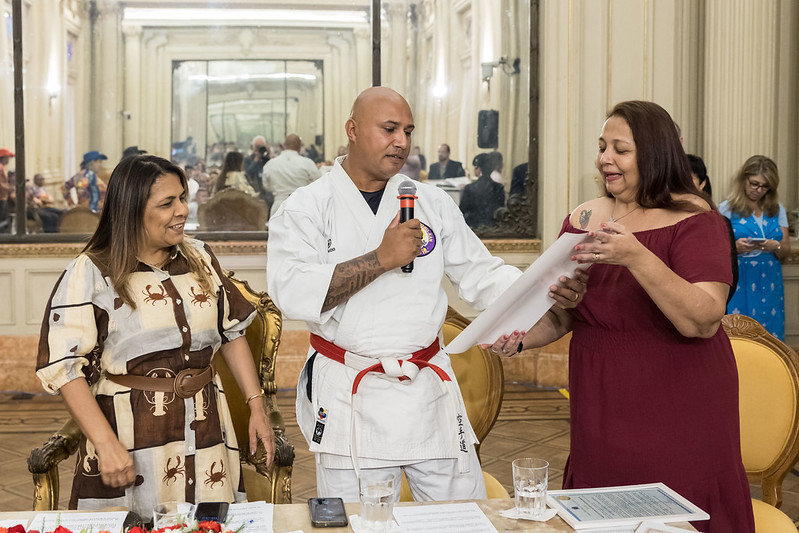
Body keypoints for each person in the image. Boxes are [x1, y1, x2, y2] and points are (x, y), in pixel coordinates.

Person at [266, 86, 585, 503]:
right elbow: (293, 292)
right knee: (361, 527)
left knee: (461, 518)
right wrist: (380, 258)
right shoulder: (306, 207)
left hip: (427, 387)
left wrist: (549, 290)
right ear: (353, 129)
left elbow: (483, 275)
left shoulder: (430, 202)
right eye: (389, 128)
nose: (401, 141)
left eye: (408, 130)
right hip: (351, 391)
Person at [490, 101, 754, 532]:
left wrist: (637, 256)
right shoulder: (584, 218)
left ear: (654, 153)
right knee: (602, 505)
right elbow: (565, 316)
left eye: (620, 149)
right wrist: (518, 335)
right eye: (601, 147)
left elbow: (702, 319)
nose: (604, 159)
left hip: (679, 400)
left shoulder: (696, 218)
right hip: (602, 398)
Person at [35, 155, 275, 516]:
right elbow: (65, 367)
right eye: (167, 203)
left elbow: (232, 331)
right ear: (131, 210)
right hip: (129, 436)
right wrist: (104, 442)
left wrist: (257, 406)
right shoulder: (91, 272)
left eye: (182, 198)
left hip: (207, 426)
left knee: (207, 523)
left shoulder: (199, 256)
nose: (182, 210)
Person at [719, 155, 790, 340]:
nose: (759, 190)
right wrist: (735, 248)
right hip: (740, 277)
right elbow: (714, 252)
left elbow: (786, 250)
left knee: (770, 334)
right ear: (744, 179)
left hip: (770, 280)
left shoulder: (777, 209)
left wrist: (777, 246)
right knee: (740, 332)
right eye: (754, 184)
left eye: (765, 186)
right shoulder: (726, 209)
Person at [687, 154, 738, 304]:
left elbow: (731, 276)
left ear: (702, 183)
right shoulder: (662, 221)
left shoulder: (719, 222)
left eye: (688, 178)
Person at [262, 133, 321, 216]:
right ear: (300, 146)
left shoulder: (271, 164)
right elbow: (318, 183)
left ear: (284, 145)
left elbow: (267, 185)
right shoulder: (307, 163)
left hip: (279, 206)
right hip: (302, 207)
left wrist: (279, 191)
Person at [459, 152, 505, 228]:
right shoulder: (499, 187)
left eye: (475, 167)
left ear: (479, 169)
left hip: (473, 229)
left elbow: (462, 212)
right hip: (493, 229)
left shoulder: (469, 188)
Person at [0, 148, 14, 232]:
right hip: (1, 196)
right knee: (2, 219)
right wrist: (9, 188)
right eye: (7, 157)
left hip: (3, 195)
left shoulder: (2, 167)